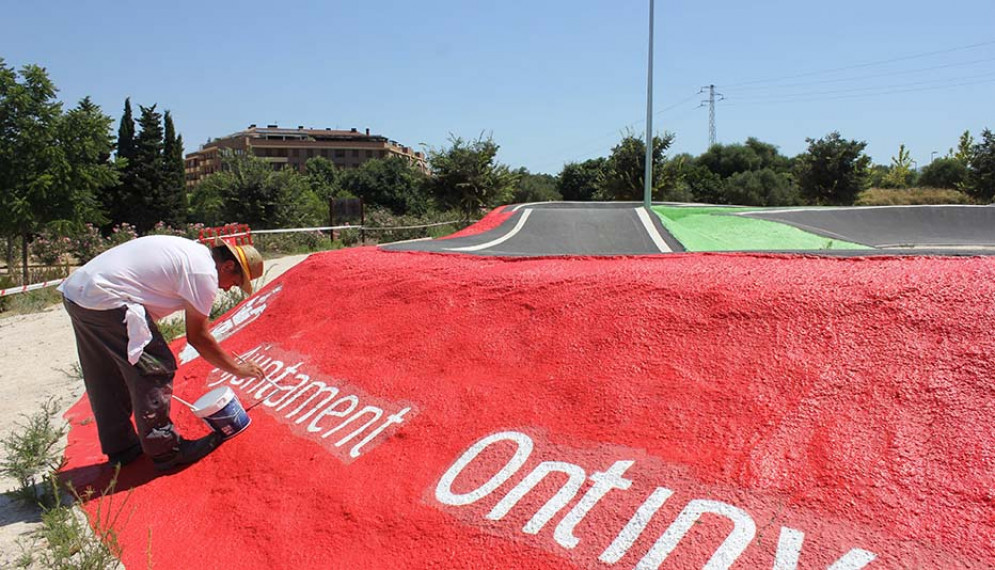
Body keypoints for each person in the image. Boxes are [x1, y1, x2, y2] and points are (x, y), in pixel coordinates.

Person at [59, 235, 266, 472]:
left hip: (77, 293)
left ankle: (121, 448)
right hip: (106, 298)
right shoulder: (205, 274)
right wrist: (237, 369)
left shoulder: (191, 253)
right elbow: (198, 337)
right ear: (228, 266)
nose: (228, 288)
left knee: (106, 372)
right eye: (235, 281)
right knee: (156, 366)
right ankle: (167, 450)